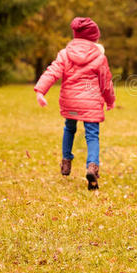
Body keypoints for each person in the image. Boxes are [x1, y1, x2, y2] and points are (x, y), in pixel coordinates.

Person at [34, 17, 115, 190]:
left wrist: (41, 91)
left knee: (69, 128)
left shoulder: (65, 54)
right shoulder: (99, 57)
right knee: (92, 135)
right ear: (94, 38)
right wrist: (110, 101)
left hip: (70, 101)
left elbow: (52, 72)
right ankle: (92, 166)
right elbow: (105, 82)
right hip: (91, 103)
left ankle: (66, 160)